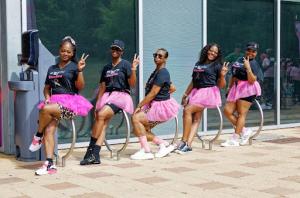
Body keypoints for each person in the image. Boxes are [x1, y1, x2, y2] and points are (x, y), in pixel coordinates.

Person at [29, 36, 93, 175]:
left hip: (69, 104)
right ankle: (49, 164)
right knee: (49, 131)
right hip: (53, 103)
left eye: (68, 52)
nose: (65, 53)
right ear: (59, 50)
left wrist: (80, 70)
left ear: (73, 53)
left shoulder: (74, 67)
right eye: (63, 50)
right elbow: (46, 88)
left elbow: (80, 86)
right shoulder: (52, 68)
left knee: (45, 110)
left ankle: (37, 136)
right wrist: (47, 98)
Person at [80, 40, 139, 165]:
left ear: (122, 51)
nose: (115, 51)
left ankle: (89, 150)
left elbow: (132, 84)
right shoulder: (106, 67)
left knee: (101, 116)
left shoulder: (126, 65)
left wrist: (133, 69)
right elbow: (102, 87)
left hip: (121, 95)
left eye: (118, 49)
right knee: (103, 122)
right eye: (113, 49)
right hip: (107, 96)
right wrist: (97, 104)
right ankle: (95, 155)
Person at [176, 43, 228, 154]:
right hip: (196, 92)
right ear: (206, 50)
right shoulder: (198, 64)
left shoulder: (217, 65)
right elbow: (193, 81)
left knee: (188, 110)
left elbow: (222, 85)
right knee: (196, 118)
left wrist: (223, 75)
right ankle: (188, 145)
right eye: (211, 50)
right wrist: (185, 95)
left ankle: (184, 141)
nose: (212, 53)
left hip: (208, 93)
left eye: (215, 52)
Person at [130, 48, 180, 160]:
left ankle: (146, 151)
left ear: (165, 58)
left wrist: (139, 106)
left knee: (136, 118)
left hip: (160, 107)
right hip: (155, 105)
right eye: (155, 55)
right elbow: (172, 88)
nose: (156, 58)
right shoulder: (158, 71)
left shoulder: (162, 72)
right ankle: (163, 144)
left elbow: (153, 93)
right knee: (138, 129)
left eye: (160, 56)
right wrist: (163, 93)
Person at [221, 42, 262, 147]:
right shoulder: (239, 59)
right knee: (227, 111)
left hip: (248, 88)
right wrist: (229, 87)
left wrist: (248, 68)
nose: (251, 53)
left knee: (241, 114)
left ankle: (234, 139)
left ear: (256, 53)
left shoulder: (253, 63)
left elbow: (252, 80)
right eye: (249, 50)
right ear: (245, 50)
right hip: (236, 87)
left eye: (254, 51)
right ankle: (244, 130)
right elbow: (234, 75)